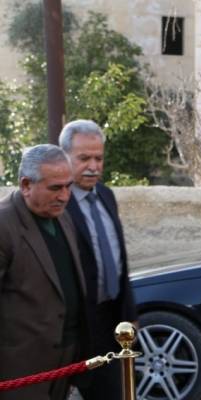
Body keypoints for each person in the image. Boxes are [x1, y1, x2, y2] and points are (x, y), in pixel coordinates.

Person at [0, 144, 88, 400]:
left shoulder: (63, 217)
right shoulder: (4, 225)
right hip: (19, 370)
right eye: (55, 188)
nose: (65, 196)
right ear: (26, 185)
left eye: (68, 186)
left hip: (65, 361)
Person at [59, 120, 137, 400]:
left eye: (99, 158)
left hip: (110, 323)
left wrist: (130, 315)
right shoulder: (57, 203)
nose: (93, 166)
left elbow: (120, 260)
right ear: (64, 156)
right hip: (74, 329)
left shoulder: (106, 195)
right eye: (84, 158)